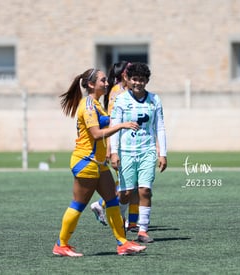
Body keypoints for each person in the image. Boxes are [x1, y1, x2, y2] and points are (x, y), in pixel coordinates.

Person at [53, 68, 147, 257]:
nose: (106, 83)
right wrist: (120, 125)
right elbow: (96, 134)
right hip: (85, 161)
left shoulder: (96, 103)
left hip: (98, 162)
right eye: (103, 80)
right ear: (91, 84)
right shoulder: (87, 105)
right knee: (78, 204)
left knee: (112, 200)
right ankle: (61, 245)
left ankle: (122, 243)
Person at [110, 62, 167, 243]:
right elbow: (114, 127)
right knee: (126, 194)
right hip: (126, 151)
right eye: (135, 79)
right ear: (127, 79)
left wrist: (162, 153)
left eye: (142, 80)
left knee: (145, 191)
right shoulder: (121, 100)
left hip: (147, 151)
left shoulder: (154, 100)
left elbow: (160, 127)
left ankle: (142, 230)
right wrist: (114, 152)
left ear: (147, 81)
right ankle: (118, 222)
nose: (138, 83)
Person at [90, 61, 140, 232]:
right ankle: (103, 205)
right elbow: (113, 121)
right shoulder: (117, 93)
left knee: (131, 182)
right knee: (129, 182)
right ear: (123, 75)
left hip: (127, 141)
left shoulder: (126, 91)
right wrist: (111, 149)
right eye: (130, 72)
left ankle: (131, 222)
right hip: (116, 142)